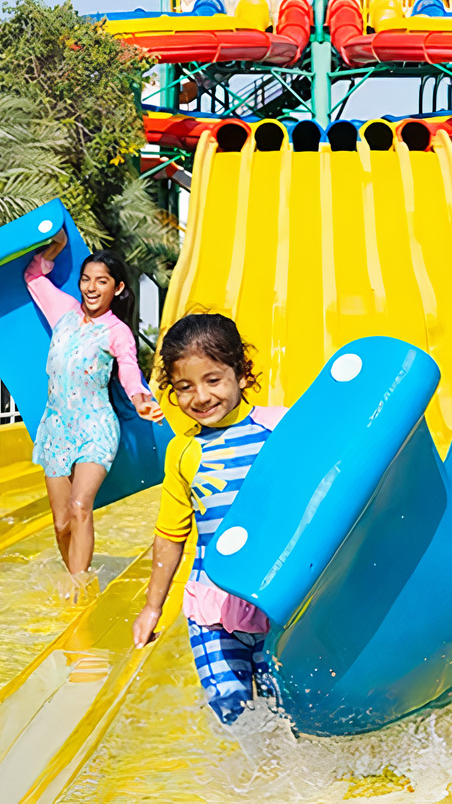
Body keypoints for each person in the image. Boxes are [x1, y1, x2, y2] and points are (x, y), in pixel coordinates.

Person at [131, 314, 285, 724]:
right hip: (212, 607)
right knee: (231, 710)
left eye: (213, 380)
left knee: (286, 712)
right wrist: (152, 607)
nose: (200, 396)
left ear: (242, 373)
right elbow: (170, 535)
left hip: (277, 597)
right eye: (184, 387)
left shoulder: (280, 429)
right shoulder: (183, 452)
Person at [24, 230, 162, 584]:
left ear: (117, 288)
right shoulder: (64, 312)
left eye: (102, 281)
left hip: (96, 428)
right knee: (61, 523)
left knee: (80, 506)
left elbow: (129, 369)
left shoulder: (117, 331)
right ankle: (76, 578)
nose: (91, 287)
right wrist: (56, 247)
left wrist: (140, 399)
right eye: (86, 279)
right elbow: (33, 276)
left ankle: (79, 588)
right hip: (56, 429)